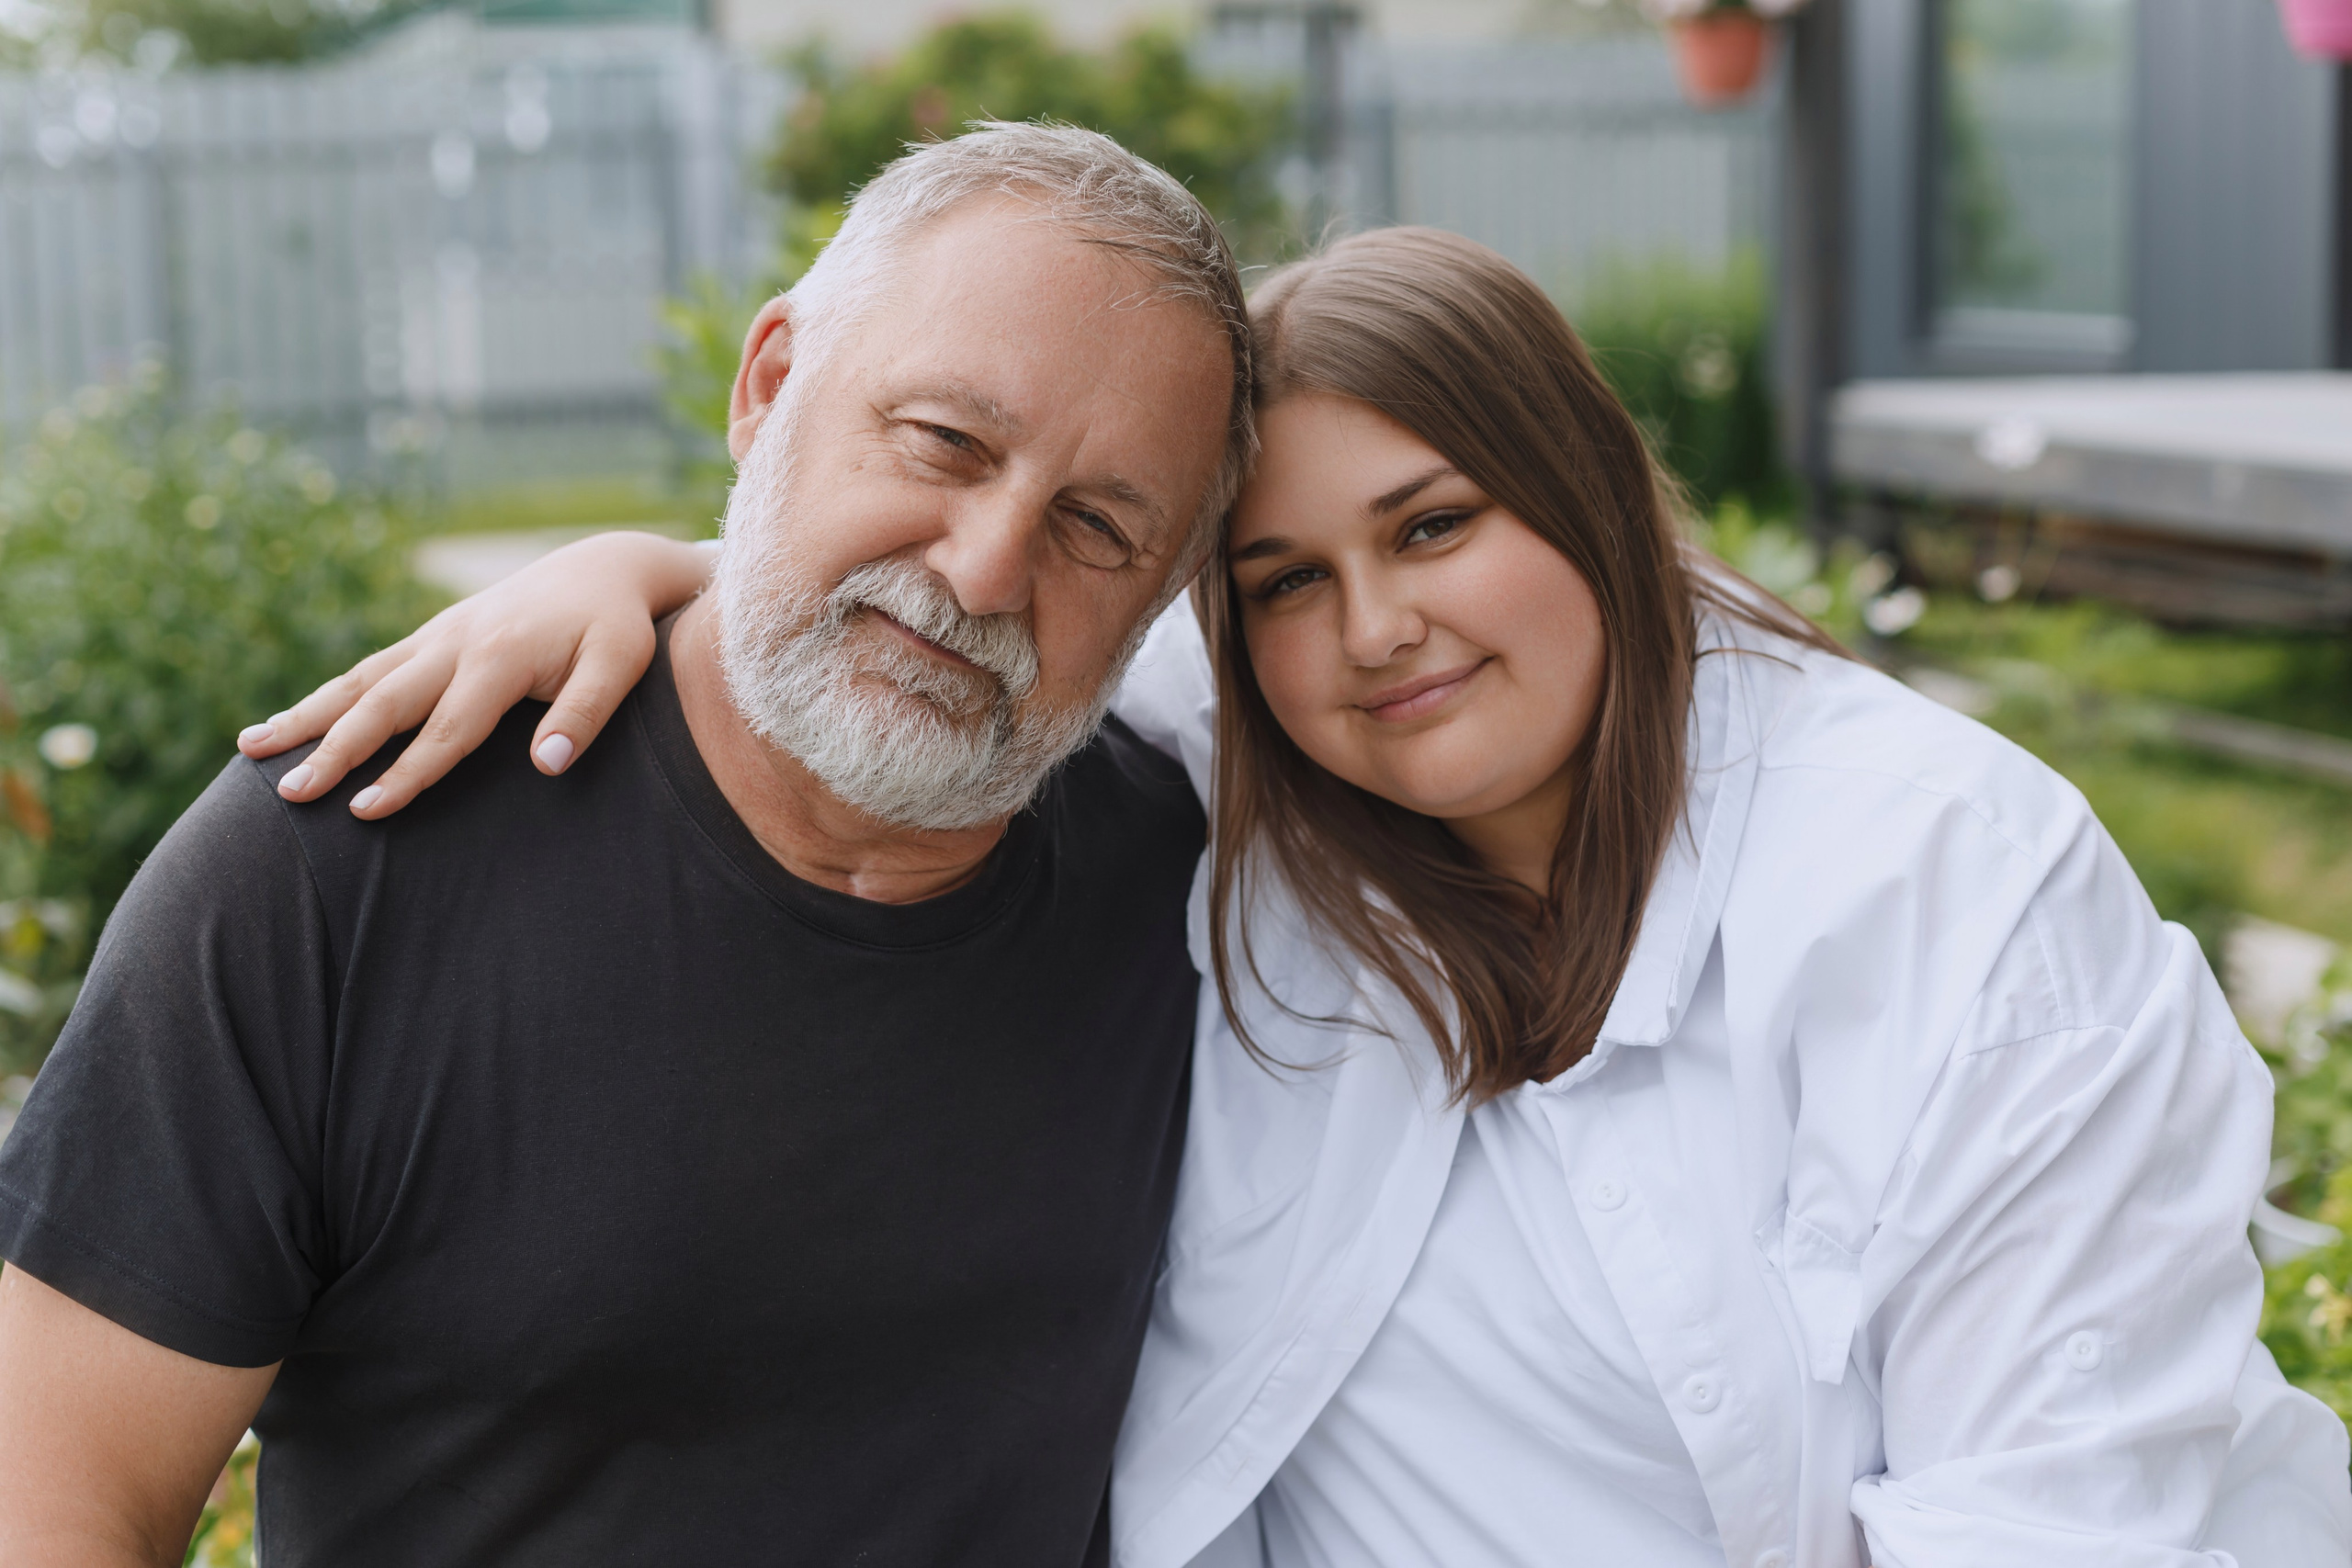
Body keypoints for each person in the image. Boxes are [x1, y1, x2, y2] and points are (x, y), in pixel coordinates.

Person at [260, 223, 2352, 1567]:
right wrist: (635, 573)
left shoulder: (1929, 876)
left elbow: (2054, 1520)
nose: (1371, 630)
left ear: (1593, 498)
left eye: (1433, 525)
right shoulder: (1242, 758)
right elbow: (945, 611)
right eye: (1277, 579)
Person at [0, 123, 1257, 1567]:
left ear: (1164, 596)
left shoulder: (1205, 905)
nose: (983, 568)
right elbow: (56, 1502)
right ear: (770, 384)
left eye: (1096, 527)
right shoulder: (341, 863)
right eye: (944, 443)